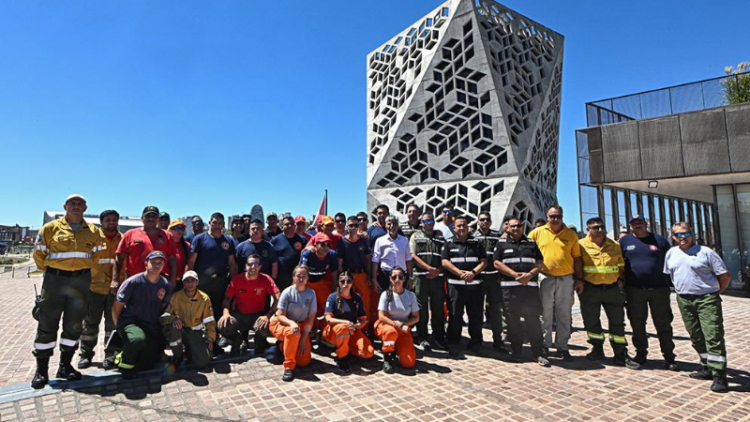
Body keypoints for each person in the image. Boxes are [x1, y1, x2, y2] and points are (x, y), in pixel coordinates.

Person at [31, 194, 106, 389]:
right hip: (55, 280)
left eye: (79, 203)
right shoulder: (50, 228)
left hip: (81, 281)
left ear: (85, 207)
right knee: (47, 323)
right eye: (72, 203)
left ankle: (65, 366)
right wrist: (54, 270)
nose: (76, 206)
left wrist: (82, 270)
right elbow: (39, 254)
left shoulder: (93, 231)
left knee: (74, 325)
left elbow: (97, 256)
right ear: (65, 206)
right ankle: (42, 370)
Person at [664, 222, 730, 393]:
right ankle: (706, 367)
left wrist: (714, 294)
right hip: (684, 299)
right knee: (695, 335)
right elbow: (670, 275)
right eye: (678, 234)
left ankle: (719, 375)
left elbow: (725, 276)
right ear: (673, 236)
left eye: (685, 234)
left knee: (712, 335)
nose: (682, 237)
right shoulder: (671, 253)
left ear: (692, 234)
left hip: (706, 299)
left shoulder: (706, 252)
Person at [578, 217, 639, 369]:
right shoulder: (580, 245)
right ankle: (597, 349)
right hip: (590, 289)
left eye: (601, 227)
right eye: (595, 227)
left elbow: (620, 264)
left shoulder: (614, 245)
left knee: (617, 322)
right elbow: (577, 265)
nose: (599, 230)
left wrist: (621, 279)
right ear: (588, 229)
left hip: (612, 289)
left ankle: (620, 353)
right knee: (591, 321)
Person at [619, 214, 676, 370]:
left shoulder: (660, 241)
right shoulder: (624, 242)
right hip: (634, 290)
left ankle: (669, 356)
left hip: (659, 290)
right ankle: (641, 354)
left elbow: (671, 261)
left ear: (646, 223)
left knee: (663, 324)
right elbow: (619, 263)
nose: (637, 225)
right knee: (637, 324)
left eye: (640, 222)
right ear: (630, 226)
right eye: (634, 223)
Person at [528, 205, 582, 361]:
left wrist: (579, 279)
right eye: (552, 216)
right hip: (545, 277)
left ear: (562, 216)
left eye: (558, 216)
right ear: (547, 217)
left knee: (564, 314)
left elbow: (577, 258)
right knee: (545, 313)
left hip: (566, 279)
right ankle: (544, 345)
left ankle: (562, 347)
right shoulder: (537, 233)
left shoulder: (571, 235)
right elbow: (527, 252)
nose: (555, 219)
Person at [493, 217, 549, 367]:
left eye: (518, 226)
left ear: (522, 227)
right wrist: (514, 275)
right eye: (513, 226)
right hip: (510, 289)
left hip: (529, 289)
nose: (516, 229)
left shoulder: (531, 243)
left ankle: (537, 352)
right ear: (508, 228)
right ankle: (516, 351)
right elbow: (496, 262)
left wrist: (530, 275)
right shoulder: (501, 243)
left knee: (533, 320)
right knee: (513, 321)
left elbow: (540, 262)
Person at [112, 251, 172, 379]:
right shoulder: (133, 282)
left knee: (152, 358)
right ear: (146, 264)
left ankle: (126, 351)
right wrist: (120, 328)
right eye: (153, 262)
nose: (156, 266)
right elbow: (117, 307)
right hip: (131, 321)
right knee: (137, 340)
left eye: (160, 263)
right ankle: (124, 364)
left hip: (150, 323)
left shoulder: (165, 284)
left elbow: (162, 307)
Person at [78, 209, 123, 370]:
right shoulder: (94, 238)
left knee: (112, 325)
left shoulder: (123, 239)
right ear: (101, 222)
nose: (111, 222)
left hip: (115, 290)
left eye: (114, 220)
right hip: (94, 288)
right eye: (108, 220)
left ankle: (110, 355)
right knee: (90, 323)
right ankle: (85, 355)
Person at [188, 212, 238, 353]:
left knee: (216, 312)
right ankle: (196, 344)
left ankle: (213, 342)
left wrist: (234, 283)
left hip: (220, 282)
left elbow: (232, 264)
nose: (217, 226)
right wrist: (190, 281)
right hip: (202, 282)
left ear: (223, 225)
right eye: (214, 222)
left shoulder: (228, 241)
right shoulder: (200, 239)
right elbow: (191, 261)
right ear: (210, 222)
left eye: (220, 223)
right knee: (199, 312)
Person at [441, 215, 486, 357]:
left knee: (476, 315)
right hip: (456, 286)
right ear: (454, 228)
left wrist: (473, 273)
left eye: (464, 225)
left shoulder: (476, 243)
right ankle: (454, 342)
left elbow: (484, 261)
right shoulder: (448, 243)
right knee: (455, 315)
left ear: (468, 227)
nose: (461, 228)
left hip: (475, 285)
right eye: (458, 226)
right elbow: (444, 262)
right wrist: (460, 273)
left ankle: (476, 342)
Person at [218, 255, 280, 356]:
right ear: (246, 265)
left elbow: (278, 297)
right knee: (222, 326)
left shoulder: (266, 279)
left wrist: (268, 315)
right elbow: (226, 299)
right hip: (239, 315)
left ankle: (259, 342)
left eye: (256, 264)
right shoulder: (237, 279)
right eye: (250, 264)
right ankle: (237, 339)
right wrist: (226, 313)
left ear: (260, 266)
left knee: (265, 327)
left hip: (258, 316)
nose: (253, 267)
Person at [270, 265, 317, 382]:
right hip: (283, 324)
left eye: (304, 276)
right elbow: (280, 315)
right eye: (298, 276)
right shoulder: (287, 292)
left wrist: (303, 340)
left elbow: (311, 319)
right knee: (292, 333)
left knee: (304, 361)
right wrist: (291, 323)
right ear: (293, 277)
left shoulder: (311, 293)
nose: (301, 279)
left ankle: (282, 347)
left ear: (307, 278)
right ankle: (289, 367)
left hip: (301, 325)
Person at [160, 271, 215, 369]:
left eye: (193, 280)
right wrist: (173, 319)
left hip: (195, 332)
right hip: (181, 330)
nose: (190, 283)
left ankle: (190, 352)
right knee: (174, 329)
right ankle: (178, 356)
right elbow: (163, 317)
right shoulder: (176, 296)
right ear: (183, 283)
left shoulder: (205, 298)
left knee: (203, 362)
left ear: (197, 282)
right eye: (187, 281)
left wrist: (210, 338)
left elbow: (209, 321)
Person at [114, 206, 177, 289]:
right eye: (148, 216)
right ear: (142, 218)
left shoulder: (167, 236)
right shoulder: (130, 234)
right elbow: (119, 259)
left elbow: (172, 259)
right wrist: (115, 280)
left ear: (158, 219)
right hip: (134, 279)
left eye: (154, 216)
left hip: (159, 280)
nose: (151, 219)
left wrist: (172, 280)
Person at [409, 212, 446, 350]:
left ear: (434, 222)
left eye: (430, 221)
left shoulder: (440, 237)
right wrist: (429, 268)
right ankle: (423, 337)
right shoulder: (415, 236)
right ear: (421, 222)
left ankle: (439, 336)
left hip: (437, 278)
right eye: (425, 221)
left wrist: (438, 270)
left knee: (438, 308)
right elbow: (413, 255)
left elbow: (446, 256)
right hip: (421, 278)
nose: (428, 223)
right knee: (421, 308)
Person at [323, 272, 374, 372]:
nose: (345, 284)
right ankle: (341, 357)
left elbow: (363, 319)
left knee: (368, 352)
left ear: (352, 283)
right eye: (342, 281)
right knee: (343, 328)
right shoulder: (332, 297)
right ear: (338, 283)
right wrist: (346, 323)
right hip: (335, 331)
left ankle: (346, 347)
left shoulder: (357, 298)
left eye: (348, 281)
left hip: (352, 330)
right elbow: (328, 319)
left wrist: (357, 326)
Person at [375, 267, 419, 373]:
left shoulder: (410, 295)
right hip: (386, 326)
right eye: (394, 277)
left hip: (402, 328)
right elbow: (381, 316)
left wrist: (405, 324)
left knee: (409, 363)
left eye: (400, 277)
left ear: (404, 279)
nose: (397, 280)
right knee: (391, 333)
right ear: (390, 279)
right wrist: (396, 324)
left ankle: (397, 349)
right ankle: (387, 357)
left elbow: (416, 317)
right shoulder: (386, 294)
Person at [473, 212, 505, 352]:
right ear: (478, 222)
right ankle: (477, 341)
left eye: (487, 220)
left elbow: (502, 256)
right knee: (476, 311)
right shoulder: (473, 237)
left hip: (493, 278)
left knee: (495, 311)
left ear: (491, 222)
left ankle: (498, 341)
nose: (485, 222)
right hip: (478, 278)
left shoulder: (497, 236)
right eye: (482, 220)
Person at [337, 216, 376, 328]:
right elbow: (340, 262)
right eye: (351, 225)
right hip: (348, 276)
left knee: (365, 302)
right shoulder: (342, 242)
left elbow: (368, 259)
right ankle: (349, 327)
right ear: (347, 227)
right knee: (348, 302)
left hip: (362, 275)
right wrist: (342, 279)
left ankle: (365, 328)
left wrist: (369, 276)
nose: (353, 227)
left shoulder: (364, 241)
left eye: (356, 225)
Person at [299, 233, 339, 329]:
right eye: (322, 244)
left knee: (326, 305)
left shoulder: (332, 255)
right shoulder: (308, 254)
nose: (326, 247)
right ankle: (307, 329)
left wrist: (334, 288)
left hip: (320, 282)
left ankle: (324, 329)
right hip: (306, 283)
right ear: (315, 245)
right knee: (306, 306)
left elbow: (334, 273)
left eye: (328, 245)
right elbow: (301, 272)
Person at [371, 215, 413, 292]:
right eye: (389, 224)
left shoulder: (404, 240)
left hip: (401, 276)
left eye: (394, 224)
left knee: (401, 300)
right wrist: (374, 279)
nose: (392, 226)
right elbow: (375, 260)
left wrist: (410, 277)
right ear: (385, 225)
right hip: (385, 275)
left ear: (398, 225)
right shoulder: (379, 241)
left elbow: (408, 259)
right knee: (386, 300)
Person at [271, 216, 308, 291]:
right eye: (287, 224)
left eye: (292, 224)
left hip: (298, 276)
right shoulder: (274, 241)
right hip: (281, 278)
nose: (290, 226)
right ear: (281, 227)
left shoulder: (302, 240)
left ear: (295, 226)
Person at [168, 219, 190, 286]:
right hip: (167, 281)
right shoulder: (165, 244)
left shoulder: (187, 246)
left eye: (182, 228)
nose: (180, 231)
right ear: (170, 230)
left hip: (182, 282)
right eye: (176, 228)